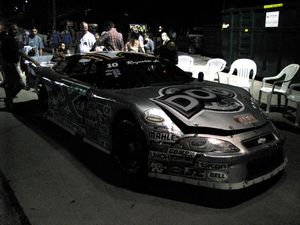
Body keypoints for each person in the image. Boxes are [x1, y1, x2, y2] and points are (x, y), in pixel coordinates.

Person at [0, 24, 25, 111]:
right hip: (9, 66)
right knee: (20, 84)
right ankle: (9, 100)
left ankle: (9, 101)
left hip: (11, 65)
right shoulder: (9, 40)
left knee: (10, 85)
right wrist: (34, 61)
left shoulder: (10, 39)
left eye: (17, 30)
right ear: (10, 30)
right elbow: (19, 52)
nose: (16, 31)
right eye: (14, 30)